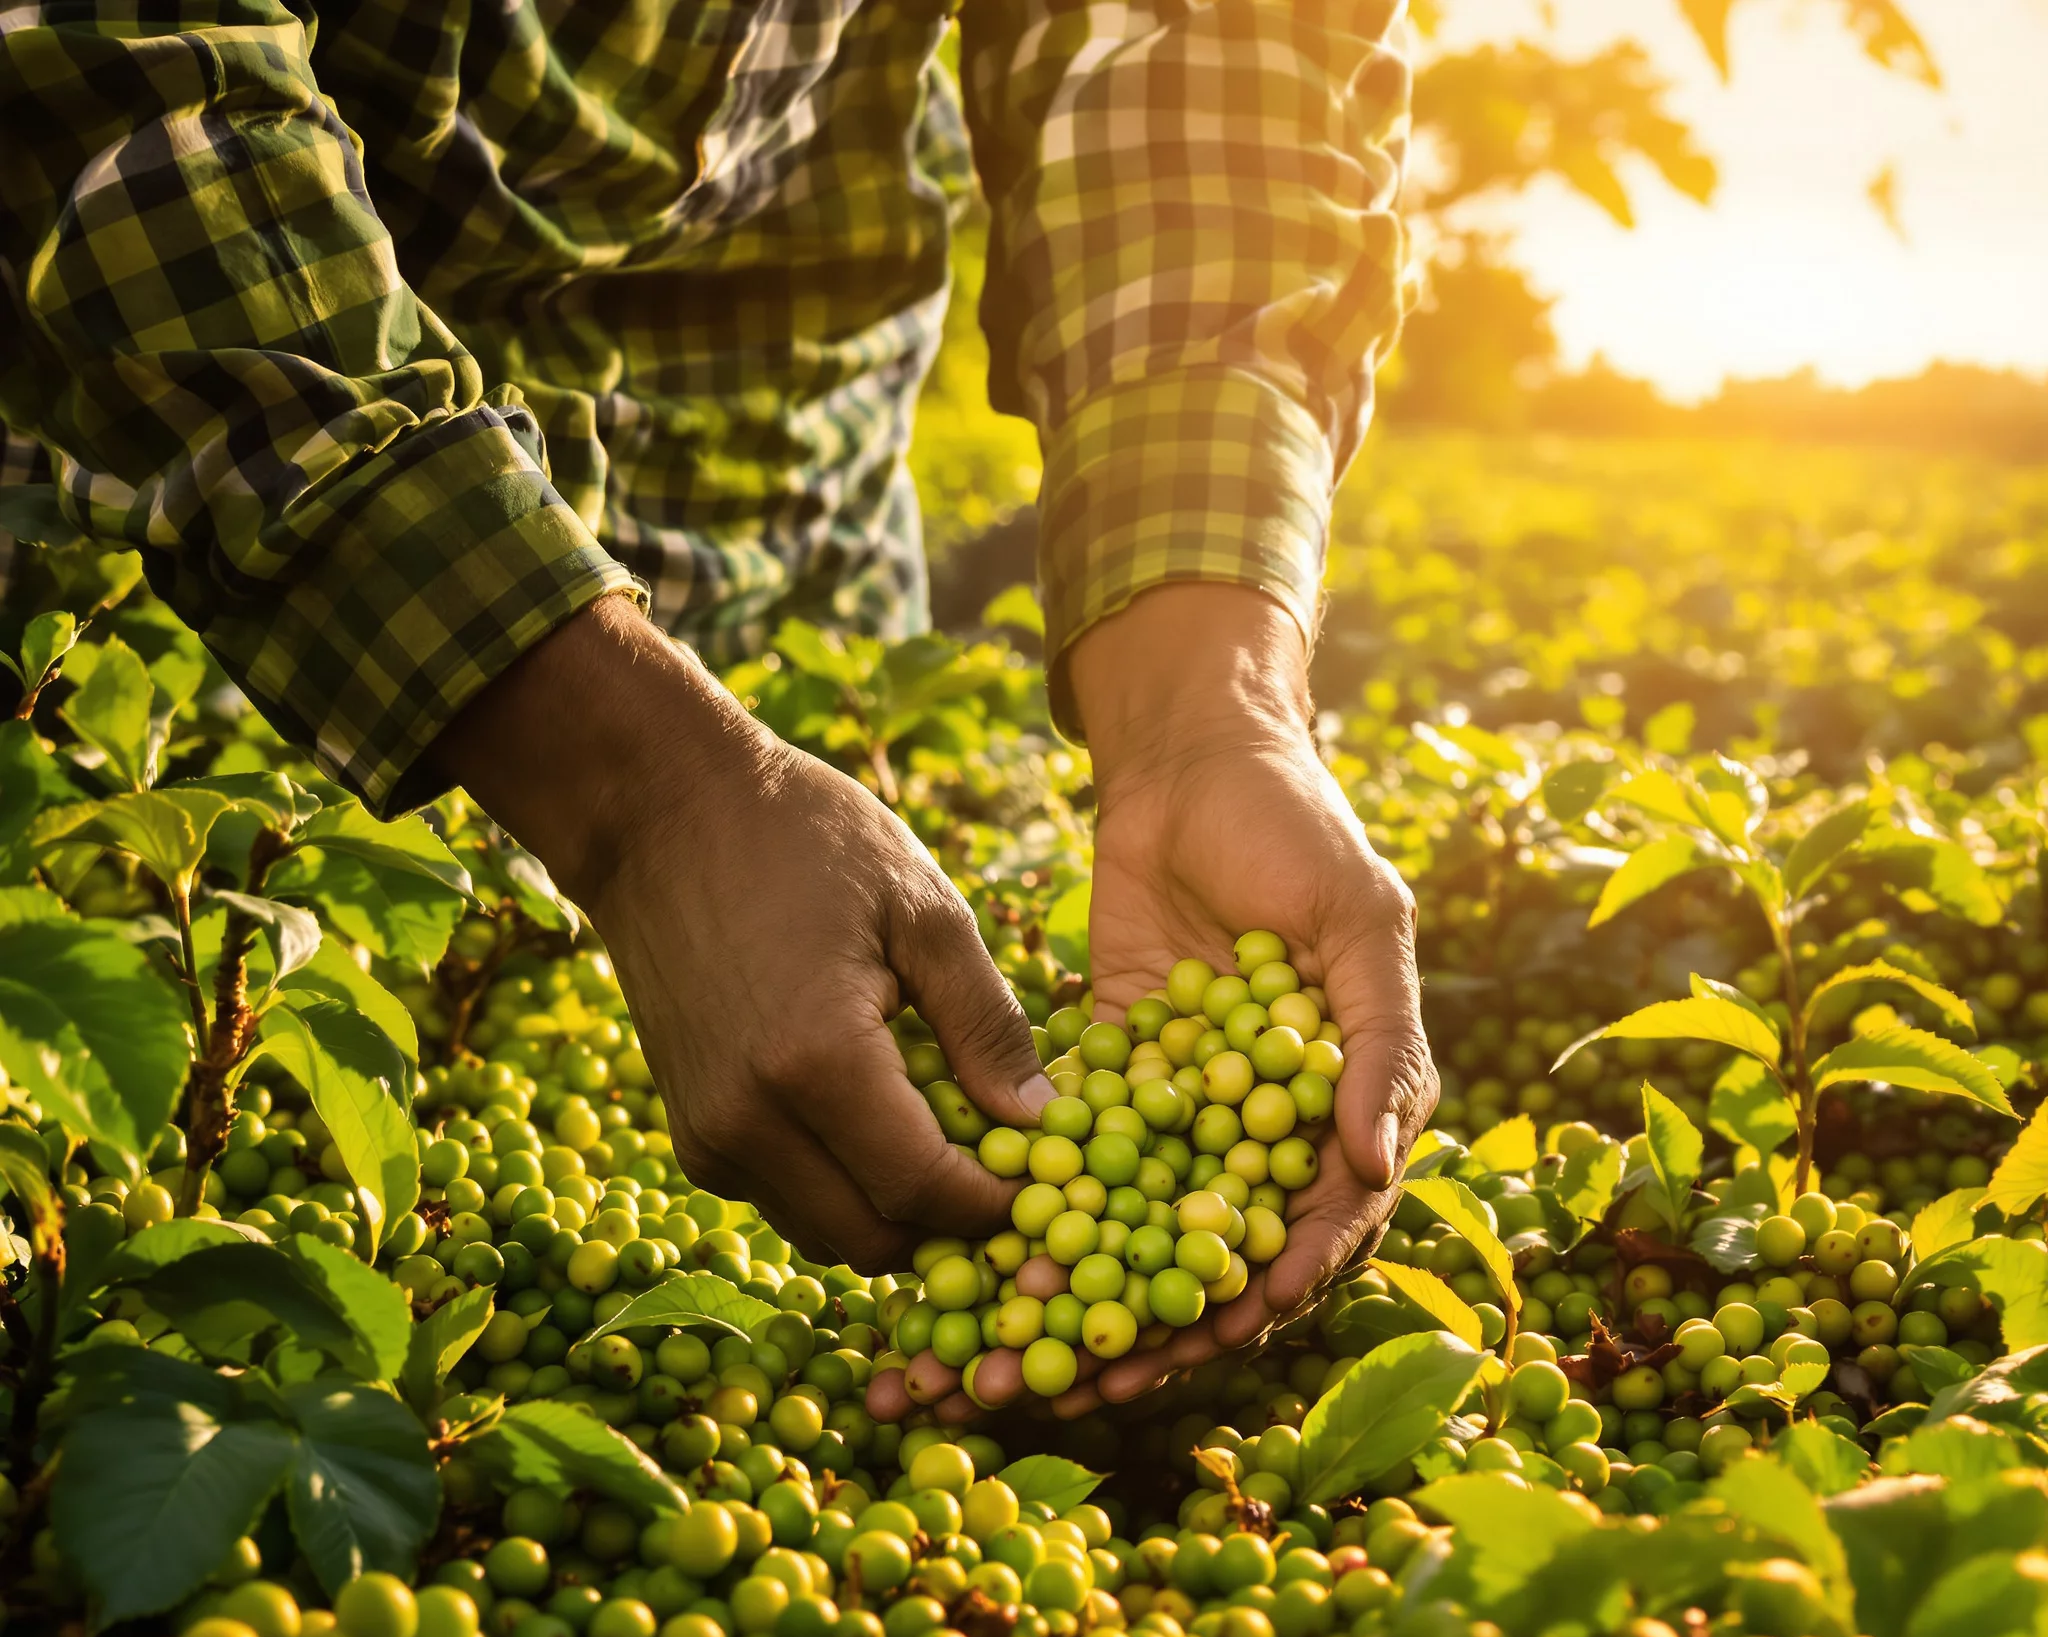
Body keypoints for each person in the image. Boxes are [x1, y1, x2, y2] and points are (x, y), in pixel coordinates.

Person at [0, 1, 1435, 1413]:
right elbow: (100, 66)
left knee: (840, 1100)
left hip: (775, 477)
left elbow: (1214, 45)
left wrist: (1207, 706)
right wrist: (643, 792)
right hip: (189, 516)